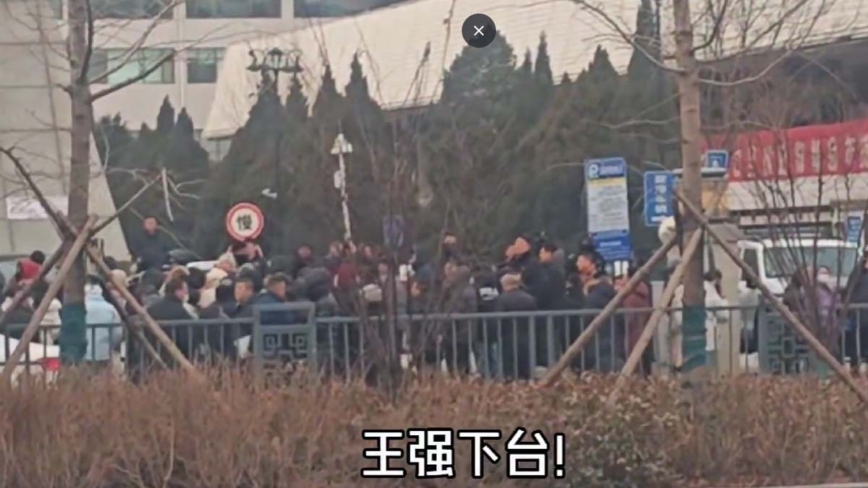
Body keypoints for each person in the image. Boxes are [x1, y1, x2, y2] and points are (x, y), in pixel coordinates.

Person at [576, 250, 622, 371]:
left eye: (581, 260)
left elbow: (586, 316)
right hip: (609, 340)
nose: (577, 263)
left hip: (599, 342)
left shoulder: (595, 295)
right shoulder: (607, 292)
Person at [495, 273, 537, 380]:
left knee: (509, 368)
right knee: (526, 366)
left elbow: (499, 318)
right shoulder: (529, 298)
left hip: (508, 336)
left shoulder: (502, 299)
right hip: (527, 335)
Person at [616, 267, 653, 377]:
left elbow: (627, 319)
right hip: (643, 334)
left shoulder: (630, 297)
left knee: (635, 369)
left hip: (631, 336)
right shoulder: (644, 293)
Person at [83, 276, 122, 367]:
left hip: (82, 353)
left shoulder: (80, 308)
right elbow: (117, 333)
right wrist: (109, 345)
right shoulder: (110, 308)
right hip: (103, 352)